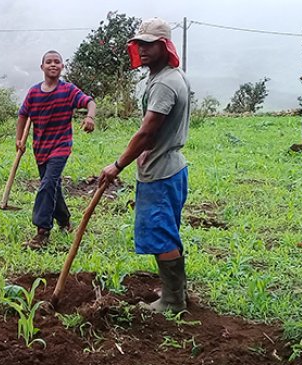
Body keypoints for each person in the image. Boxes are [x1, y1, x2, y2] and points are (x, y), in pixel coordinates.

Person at [97, 18, 190, 313]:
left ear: (164, 46)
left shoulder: (164, 83)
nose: (143, 49)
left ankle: (173, 301)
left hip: (161, 172)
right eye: (139, 43)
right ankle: (174, 293)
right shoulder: (171, 76)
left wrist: (117, 165)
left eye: (150, 43)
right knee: (166, 233)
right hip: (170, 167)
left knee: (161, 235)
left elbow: (147, 132)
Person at [16, 50, 96, 249]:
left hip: (61, 147)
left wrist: (90, 117)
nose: (53, 64)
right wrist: (19, 139)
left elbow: (89, 102)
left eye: (57, 62)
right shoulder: (34, 93)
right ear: (42, 67)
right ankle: (64, 221)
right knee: (52, 186)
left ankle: (42, 232)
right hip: (40, 148)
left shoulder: (68, 90)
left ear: (62, 67)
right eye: (49, 62)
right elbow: (23, 115)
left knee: (47, 183)